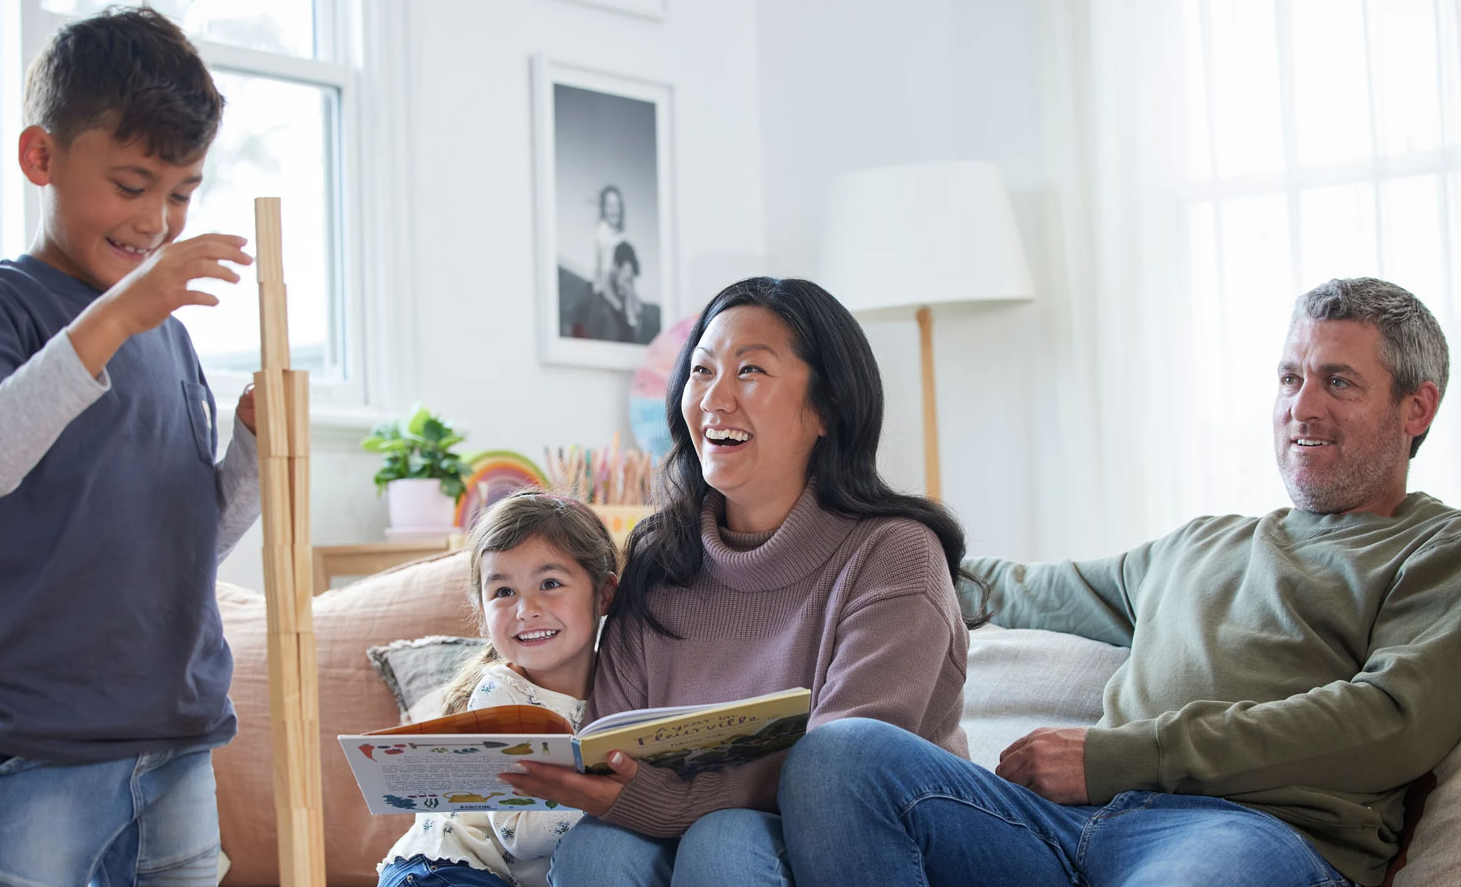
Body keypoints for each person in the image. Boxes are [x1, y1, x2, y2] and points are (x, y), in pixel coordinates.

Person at [777, 277, 1461, 887]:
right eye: (1289, 379)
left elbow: (1389, 723)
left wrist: (1116, 757)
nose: (1301, 407)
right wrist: (833, 549)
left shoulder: (1435, 549)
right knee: (837, 758)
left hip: (1250, 836)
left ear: (1417, 409)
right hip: (1060, 827)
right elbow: (1010, 589)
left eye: (1337, 382)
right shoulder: (1201, 543)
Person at [0, 6, 259, 887]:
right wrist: (120, 316)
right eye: (133, 182)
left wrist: (253, 451)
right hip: (41, 748)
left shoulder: (167, 338)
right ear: (42, 158)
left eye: (181, 192)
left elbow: (189, 541)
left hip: (178, 740)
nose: (156, 221)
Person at [501, 277, 982, 886]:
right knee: (596, 851)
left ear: (827, 409)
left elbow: (838, 778)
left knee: (724, 841)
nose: (714, 399)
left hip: (861, 850)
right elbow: (614, 748)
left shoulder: (893, 555)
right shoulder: (656, 556)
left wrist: (671, 802)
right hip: (689, 836)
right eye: (701, 372)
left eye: (750, 371)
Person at [378, 491, 619, 887]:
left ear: (603, 594)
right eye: (504, 592)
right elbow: (518, 834)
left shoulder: (622, 683)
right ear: (482, 607)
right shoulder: (499, 695)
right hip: (443, 869)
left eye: (550, 583)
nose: (526, 609)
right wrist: (614, 795)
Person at [576, 241, 659, 344]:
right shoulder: (598, 300)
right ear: (616, 267)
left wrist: (630, 309)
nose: (627, 286)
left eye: (630, 280)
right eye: (625, 278)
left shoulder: (632, 304)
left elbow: (634, 334)